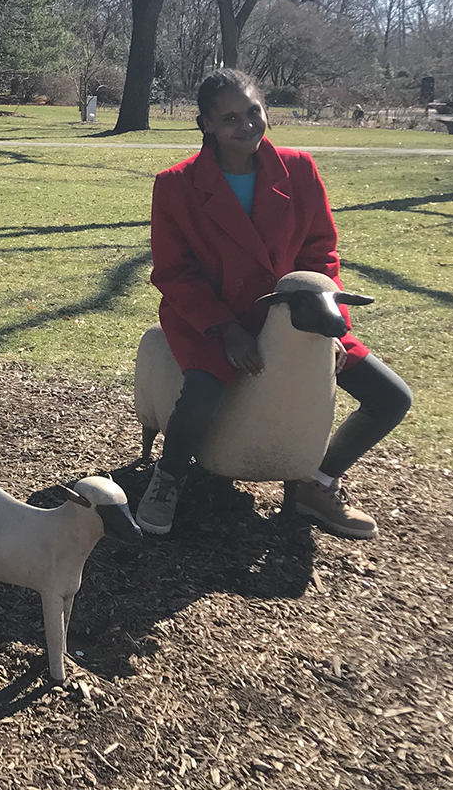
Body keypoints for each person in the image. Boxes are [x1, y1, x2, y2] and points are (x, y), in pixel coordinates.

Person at [135, 68, 412, 539]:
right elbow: (175, 273)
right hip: (212, 317)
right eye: (228, 119)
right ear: (205, 124)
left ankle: (317, 483)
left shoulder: (299, 169)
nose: (245, 125)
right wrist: (225, 329)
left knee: (391, 397)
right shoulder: (176, 184)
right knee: (202, 390)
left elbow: (320, 254)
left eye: (253, 111)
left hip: (295, 320)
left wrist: (334, 330)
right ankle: (170, 477)